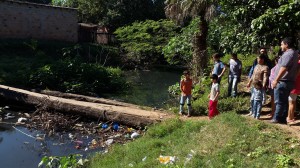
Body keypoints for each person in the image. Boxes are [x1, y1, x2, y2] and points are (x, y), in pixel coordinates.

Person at [271, 37, 299, 124]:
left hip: (283, 81)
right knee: (284, 102)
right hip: (289, 81)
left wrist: (276, 79)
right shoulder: (295, 53)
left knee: (279, 101)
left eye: (282, 44)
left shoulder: (288, 54)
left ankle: (276, 119)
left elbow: (284, 68)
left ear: (286, 44)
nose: (281, 46)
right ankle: (282, 119)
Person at [287, 51, 300, 123]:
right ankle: (292, 117)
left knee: (291, 102)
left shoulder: (298, 63)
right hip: (297, 85)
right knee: (293, 101)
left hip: (294, 84)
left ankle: (289, 117)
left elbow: (296, 74)